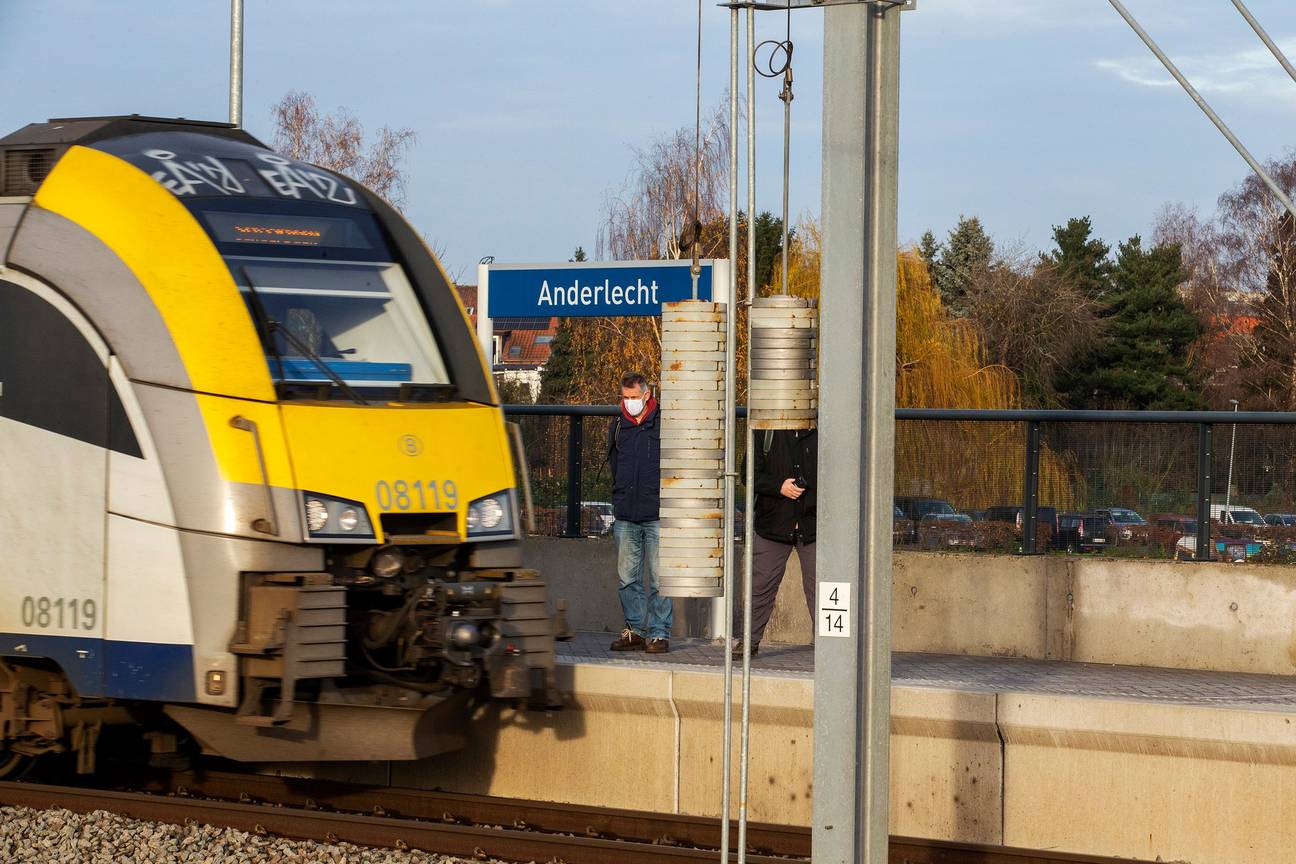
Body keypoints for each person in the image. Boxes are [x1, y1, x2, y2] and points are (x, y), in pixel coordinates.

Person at [733, 427, 817, 658]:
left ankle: (831, 646)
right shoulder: (766, 431)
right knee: (760, 587)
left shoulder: (824, 430)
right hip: (773, 524)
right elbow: (748, 473)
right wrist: (778, 486)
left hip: (814, 527)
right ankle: (749, 641)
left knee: (820, 590)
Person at [606, 371, 671, 654]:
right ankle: (635, 631)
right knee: (627, 579)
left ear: (647, 395)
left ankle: (658, 633)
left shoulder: (663, 423)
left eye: (634, 397)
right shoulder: (619, 425)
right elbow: (615, 463)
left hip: (657, 512)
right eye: (625, 397)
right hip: (626, 513)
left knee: (660, 578)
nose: (629, 402)